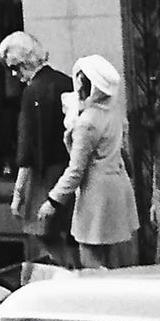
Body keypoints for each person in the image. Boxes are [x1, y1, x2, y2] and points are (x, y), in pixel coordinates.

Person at [37, 54, 140, 270]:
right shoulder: (114, 112)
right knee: (117, 261)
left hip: (96, 194)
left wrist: (53, 201)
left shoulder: (87, 122)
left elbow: (76, 170)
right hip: (118, 187)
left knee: (91, 261)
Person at [0, 30, 79, 269]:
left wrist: (18, 194)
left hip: (44, 175)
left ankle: (66, 273)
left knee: (43, 231)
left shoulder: (32, 92)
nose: (14, 75)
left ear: (25, 62)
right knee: (70, 233)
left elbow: (27, 148)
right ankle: (73, 271)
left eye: (15, 67)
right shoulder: (66, 82)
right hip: (70, 169)